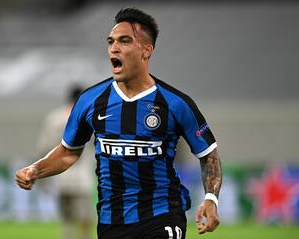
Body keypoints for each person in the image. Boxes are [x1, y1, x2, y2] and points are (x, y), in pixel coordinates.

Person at [15, 8, 222, 239]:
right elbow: (67, 152)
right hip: (111, 221)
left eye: (124, 41)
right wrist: (36, 169)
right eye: (111, 41)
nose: (114, 48)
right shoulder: (90, 101)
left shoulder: (175, 103)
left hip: (162, 215)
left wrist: (211, 198)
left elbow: (208, 154)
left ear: (146, 50)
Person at [36, 85, 95, 239]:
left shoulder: (54, 118)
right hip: (82, 177)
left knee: (67, 220)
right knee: (85, 220)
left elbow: (44, 148)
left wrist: (41, 176)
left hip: (59, 175)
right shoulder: (89, 116)